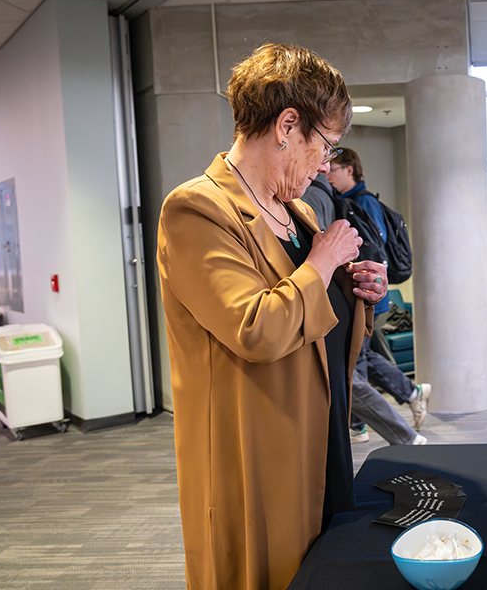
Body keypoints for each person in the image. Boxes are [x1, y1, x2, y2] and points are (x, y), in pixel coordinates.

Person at [157, 43, 388, 590]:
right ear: (288, 125)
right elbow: (254, 328)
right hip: (257, 455)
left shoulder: (297, 212)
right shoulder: (196, 209)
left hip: (319, 434)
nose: (325, 166)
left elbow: (314, 314)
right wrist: (324, 260)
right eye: (326, 146)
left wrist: (358, 291)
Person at [328, 148, 433, 429]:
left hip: (372, 296)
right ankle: (412, 393)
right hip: (366, 294)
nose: (327, 175)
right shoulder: (346, 201)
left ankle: (359, 424)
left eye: (332, 169)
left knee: (357, 361)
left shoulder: (362, 202)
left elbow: (376, 247)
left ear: (349, 170)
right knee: (366, 355)